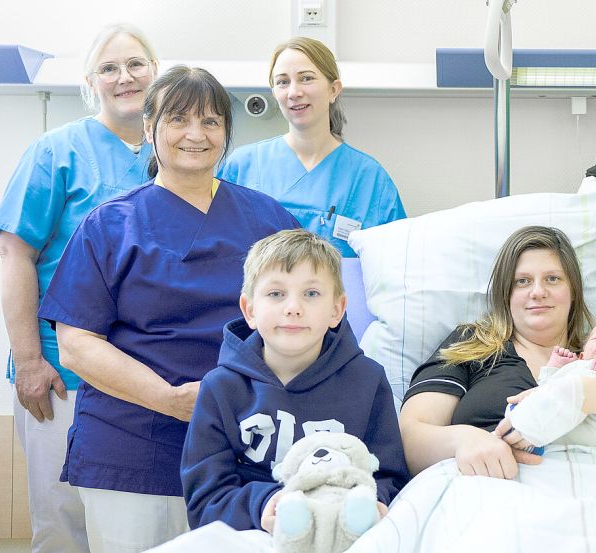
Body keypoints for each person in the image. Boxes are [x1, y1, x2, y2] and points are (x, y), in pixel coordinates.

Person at [37, 66, 299, 552]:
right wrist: (168, 399)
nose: (196, 135)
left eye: (211, 121)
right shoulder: (110, 225)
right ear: (150, 129)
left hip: (246, 447)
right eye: (178, 120)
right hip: (133, 442)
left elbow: (308, 319)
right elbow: (76, 345)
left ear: (226, 133)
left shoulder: (269, 219)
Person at [0, 23, 159, 553]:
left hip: (148, 372)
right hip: (62, 372)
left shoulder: (177, 151)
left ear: (157, 72)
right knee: (62, 519)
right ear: (91, 82)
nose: (124, 77)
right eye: (109, 68)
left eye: (135, 64)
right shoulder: (56, 151)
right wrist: (30, 360)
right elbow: (14, 253)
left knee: (135, 523)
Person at [399, 226, 596, 478]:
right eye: (522, 281)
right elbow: (412, 435)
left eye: (553, 279)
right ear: (505, 293)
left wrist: (584, 392)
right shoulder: (471, 344)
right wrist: (464, 441)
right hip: (494, 492)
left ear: (573, 292)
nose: (538, 292)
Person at [180, 229, 408, 532]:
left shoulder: (368, 380)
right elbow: (204, 500)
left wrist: (368, 504)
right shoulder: (220, 388)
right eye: (276, 294)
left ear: (337, 310)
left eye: (311, 294)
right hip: (249, 536)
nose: (293, 307)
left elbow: (390, 477)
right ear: (249, 310)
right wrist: (266, 504)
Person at [218, 37, 406, 257]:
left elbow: (395, 265)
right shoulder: (241, 167)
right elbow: (217, 254)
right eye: (282, 82)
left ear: (333, 90)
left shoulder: (370, 179)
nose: (294, 92)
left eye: (306, 78)